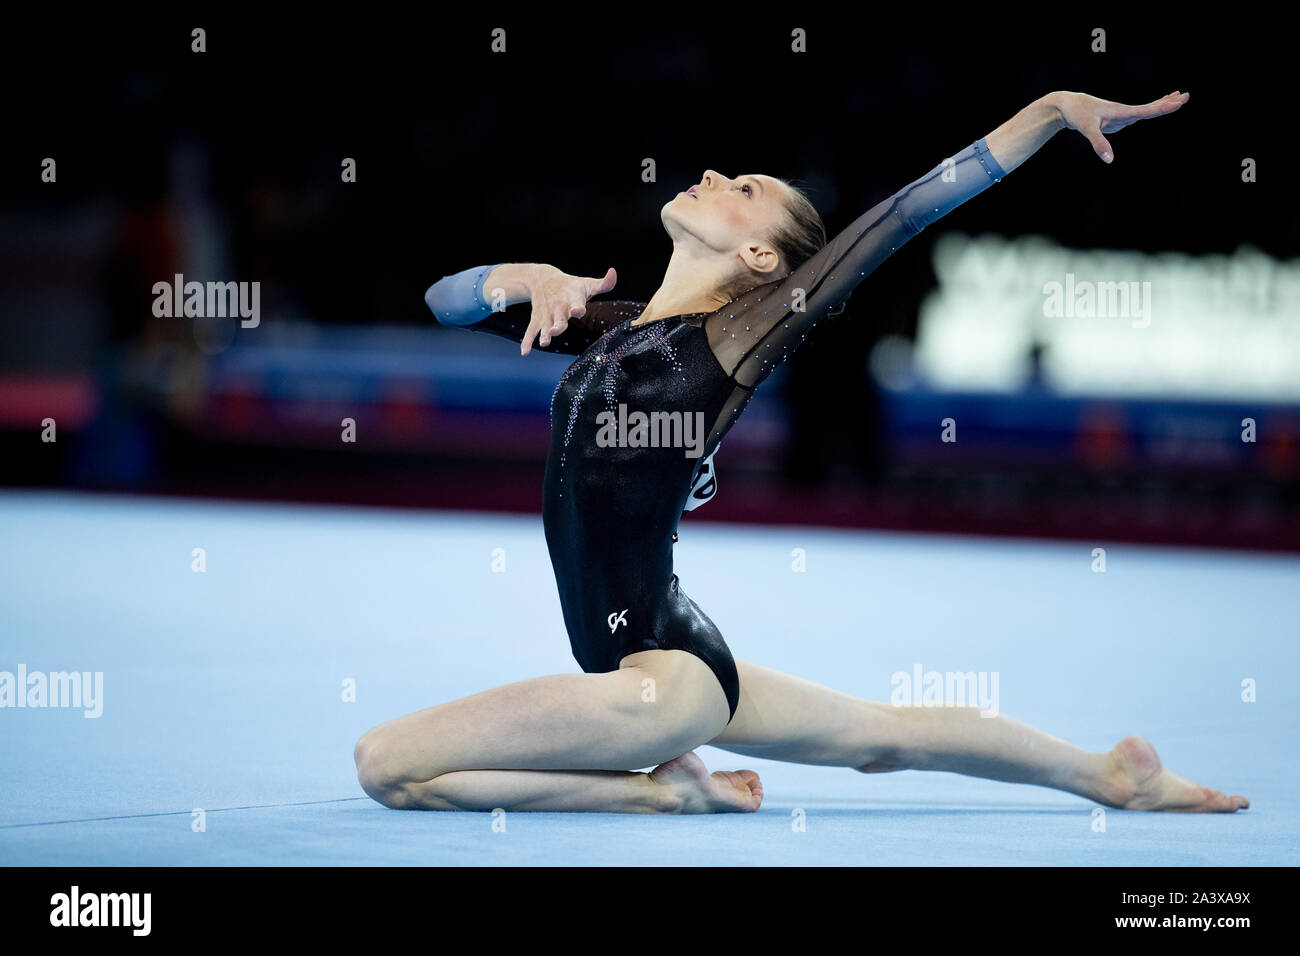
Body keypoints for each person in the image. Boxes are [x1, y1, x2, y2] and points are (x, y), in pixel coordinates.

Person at [355, 89, 1249, 815]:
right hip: (672, 652)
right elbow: (443, 300)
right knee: (882, 736)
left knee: (385, 763)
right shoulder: (610, 328)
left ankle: (661, 796)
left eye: (742, 186)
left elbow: (903, 215)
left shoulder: (737, 337)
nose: (713, 174)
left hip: (661, 689)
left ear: (757, 256)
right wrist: (530, 279)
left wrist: (1049, 111)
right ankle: (1108, 774)